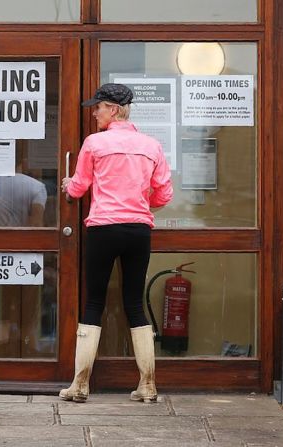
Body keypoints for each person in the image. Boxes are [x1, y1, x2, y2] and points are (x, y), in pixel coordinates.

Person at [60, 83, 173, 404]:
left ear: (113, 108)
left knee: (94, 301)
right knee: (134, 303)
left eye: (98, 107)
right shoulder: (151, 145)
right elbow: (164, 194)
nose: (94, 113)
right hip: (138, 229)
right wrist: (136, 201)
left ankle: (80, 385)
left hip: (104, 229)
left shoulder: (95, 143)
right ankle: (148, 385)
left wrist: (69, 184)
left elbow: (79, 188)